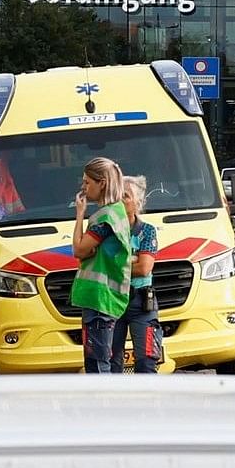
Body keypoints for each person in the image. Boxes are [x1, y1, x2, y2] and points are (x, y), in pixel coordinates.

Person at [70, 158, 134, 373]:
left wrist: (79, 215)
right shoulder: (118, 212)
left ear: (102, 183)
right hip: (109, 299)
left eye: (87, 182)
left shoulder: (104, 217)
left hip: (100, 298)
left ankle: (103, 405)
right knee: (110, 361)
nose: (84, 188)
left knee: (98, 364)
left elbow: (79, 250)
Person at [120, 168, 164, 374]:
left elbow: (144, 268)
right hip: (113, 301)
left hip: (141, 302)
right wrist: (132, 261)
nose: (120, 201)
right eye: (116, 196)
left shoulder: (147, 231)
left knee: (147, 360)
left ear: (138, 203)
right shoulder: (106, 230)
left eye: (126, 196)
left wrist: (115, 265)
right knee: (110, 362)